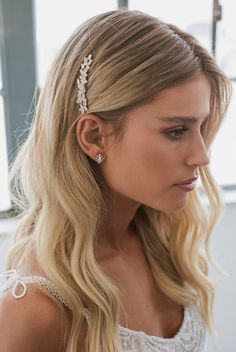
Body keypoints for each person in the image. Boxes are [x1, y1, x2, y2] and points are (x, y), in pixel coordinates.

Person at [0, 9, 232, 352]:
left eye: (201, 127)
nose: (202, 155)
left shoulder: (164, 242)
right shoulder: (34, 311)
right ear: (93, 136)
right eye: (176, 131)